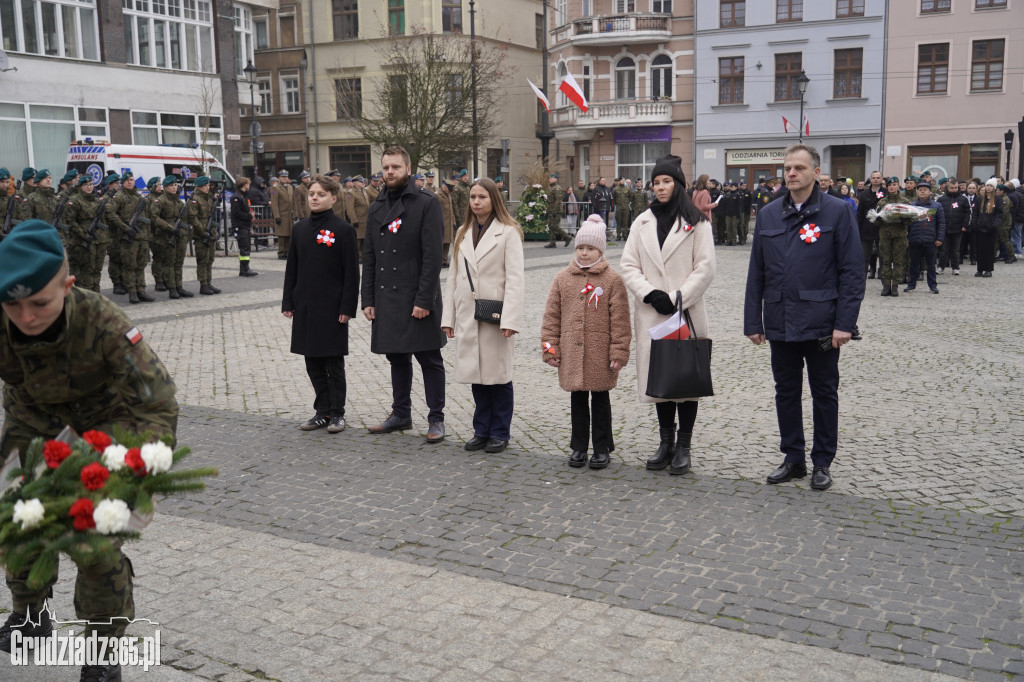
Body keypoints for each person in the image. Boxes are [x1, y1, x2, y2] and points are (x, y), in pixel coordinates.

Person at [0, 219, 178, 682]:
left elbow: (156, 404)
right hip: (32, 419)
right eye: (12, 305)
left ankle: (101, 650)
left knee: (93, 543)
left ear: (68, 285)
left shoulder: (104, 323)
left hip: (103, 425)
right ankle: (29, 614)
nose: (26, 317)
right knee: (19, 523)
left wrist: (143, 469)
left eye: (39, 302)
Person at [744, 144, 864, 491]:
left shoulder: (836, 212)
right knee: (786, 391)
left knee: (824, 392)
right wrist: (754, 321)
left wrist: (845, 323)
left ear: (815, 172)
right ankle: (793, 457)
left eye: (798, 167)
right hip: (780, 318)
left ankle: (822, 462)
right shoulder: (768, 214)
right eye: (787, 168)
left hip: (822, 321)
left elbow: (852, 271)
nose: (791, 173)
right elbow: (757, 273)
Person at [620, 155, 716, 476]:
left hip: (685, 311)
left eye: (667, 182)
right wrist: (650, 293)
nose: (660, 187)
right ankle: (666, 442)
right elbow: (628, 265)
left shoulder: (697, 222)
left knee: (686, 378)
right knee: (660, 378)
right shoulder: (642, 221)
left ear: (679, 185)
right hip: (651, 312)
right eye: (656, 182)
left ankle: (684, 446)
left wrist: (676, 298)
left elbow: (705, 268)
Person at [361, 145, 447, 443]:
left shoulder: (427, 203)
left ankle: (436, 418)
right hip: (387, 297)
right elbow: (370, 256)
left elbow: (433, 257)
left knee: (429, 358)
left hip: (417, 296)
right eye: (385, 167)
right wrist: (368, 299)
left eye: (395, 167)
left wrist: (424, 300)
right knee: (396, 357)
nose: (389, 172)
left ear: (408, 169)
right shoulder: (376, 206)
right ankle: (401, 414)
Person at [441, 178, 525, 454]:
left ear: (494, 200)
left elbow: (516, 279)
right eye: (473, 197)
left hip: (496, 314)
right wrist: (448, 318)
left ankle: (500, 431)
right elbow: (453, 278)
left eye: (482, 197)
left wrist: (511, 319)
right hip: (468, 313)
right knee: (476, 375)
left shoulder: (509, 232)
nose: (476, 202)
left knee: (498, 375)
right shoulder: (462, 232)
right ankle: (481, 429)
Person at [541, 215, 630, 469]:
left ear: (600, 250)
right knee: (577, 401)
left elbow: (621, 320)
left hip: (600, 353)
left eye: (590, 248)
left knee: (600, 401)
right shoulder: (562, 278)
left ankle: (602, 448)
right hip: (570, 351)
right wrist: (550, 348)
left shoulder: (612, 279)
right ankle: (578, 446)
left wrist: (619, 351)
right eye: (581, 247)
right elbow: (551, 317)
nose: (584, 253)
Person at [282, 175, 359, 434]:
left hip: (332, 308)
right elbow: (291, 269)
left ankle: (337, 413)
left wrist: (347, 308)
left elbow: (351, 274)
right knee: (312, 361)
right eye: (311, 193)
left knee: (332, 363)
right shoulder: (299, 229)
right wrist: (288, 302)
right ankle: (321, 411)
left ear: (333, 198)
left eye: (321, 194)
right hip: (305, 306)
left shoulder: (343, 230)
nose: (314, 197)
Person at [151, 175, 193, 299]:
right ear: (165, 187)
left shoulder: (179, 202)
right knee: (169, 263)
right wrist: (169, 227)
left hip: (179, 236)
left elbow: (185, 218)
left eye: (175, 185)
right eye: (171, 186)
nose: (174, 187)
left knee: (179, 263)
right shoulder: (160, 201)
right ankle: (172, 288)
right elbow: (154, 217)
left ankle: (179, 286)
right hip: (167, 236)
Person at [904, 183, 945, 294]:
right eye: (920, 190)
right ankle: (911, 284)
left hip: (930, 240)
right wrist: (907, 239)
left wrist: (939, 238)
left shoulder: (937, 206)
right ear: (917, 191)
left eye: (925, 190)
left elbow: (941, 223)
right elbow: (907, 224)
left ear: (929, 192)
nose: (922, 191)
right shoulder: (912, 206)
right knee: (913, 264)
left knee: (931, 265)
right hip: (915, 239)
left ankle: (933, 286)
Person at [188, 176, 221, 295]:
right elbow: (193, 218)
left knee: (210, 259)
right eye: (207, 185)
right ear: (201, 186)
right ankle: (203, 284)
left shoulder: (208, 199)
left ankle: (208, 282)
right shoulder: (194, 199)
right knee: (202, 260)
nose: (209, 187)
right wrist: (203, 232)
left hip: (210, 232)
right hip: (201, 234)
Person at [876, 177, 908, 297]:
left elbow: (910, 221)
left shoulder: (904, 201)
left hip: (900, 235)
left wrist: (902, 218)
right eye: (890, 185)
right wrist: (879, 218)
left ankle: (895, 286)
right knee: (885, 261)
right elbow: (877, 221)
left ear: (898, 186)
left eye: (894, 185)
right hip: (885, 235)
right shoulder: (882, 202)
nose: (892, 187)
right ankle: (886, 286)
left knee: (898, 262)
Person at [936, 177, 968, 275]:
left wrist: (965, 225)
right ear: (947, 188)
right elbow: (937, 214)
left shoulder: (963, 199)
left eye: (955, 188)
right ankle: (941, 266)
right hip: (944, 229)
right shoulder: (941, 199)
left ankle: (955, 267)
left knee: (956, 249)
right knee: (943, 249)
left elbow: (967, 213)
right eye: (952, 188)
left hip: (958, 228)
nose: (954, 190)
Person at [231, 176, 259, 277]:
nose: (249, 186)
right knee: (244, 247)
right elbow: (236, 213)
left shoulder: (243, 196)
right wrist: (248, 216)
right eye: (248, 184)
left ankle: (243, 269)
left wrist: (251, 214)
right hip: (240, 226)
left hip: (244, 225)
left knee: (246, 247)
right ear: (244, 185)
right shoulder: (236, 197)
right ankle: (245, 269)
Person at [974, 180, 1003, 278]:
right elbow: (975, 213)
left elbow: (999, 214)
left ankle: (988, 269)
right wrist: (976, 224)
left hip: (991, 229)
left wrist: (994, 225)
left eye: (991, 186)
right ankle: (980, 269)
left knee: (989, 250)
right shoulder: (980, 199)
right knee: (980, 250)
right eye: (987, 185)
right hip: (980, 228)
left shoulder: (998, 199)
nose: (989, 187)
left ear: (994, 188)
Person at [270, 169, 295, 260]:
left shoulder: (290, 187)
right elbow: (274, 203)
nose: (285, 178)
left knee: (289, 234)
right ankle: (281, 253)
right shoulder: (275, 187)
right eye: (283, 177)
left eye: (286, 177)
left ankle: (288, 252)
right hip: (281, 214)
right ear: (279, 178)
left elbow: (292, 200)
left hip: (289, 215)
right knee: (282, 235)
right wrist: (277, 216)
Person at [545, 173, 569, 248]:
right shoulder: (552, 188)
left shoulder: (557, 188)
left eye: (551, 178)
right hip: (551, 210)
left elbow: (558, 201)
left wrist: (555, 211)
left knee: (554, 225)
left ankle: (566, 237)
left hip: (556, 210)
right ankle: (552, 242)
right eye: (550, 178)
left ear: (555, 179)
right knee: (551, 226)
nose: (550, 180)